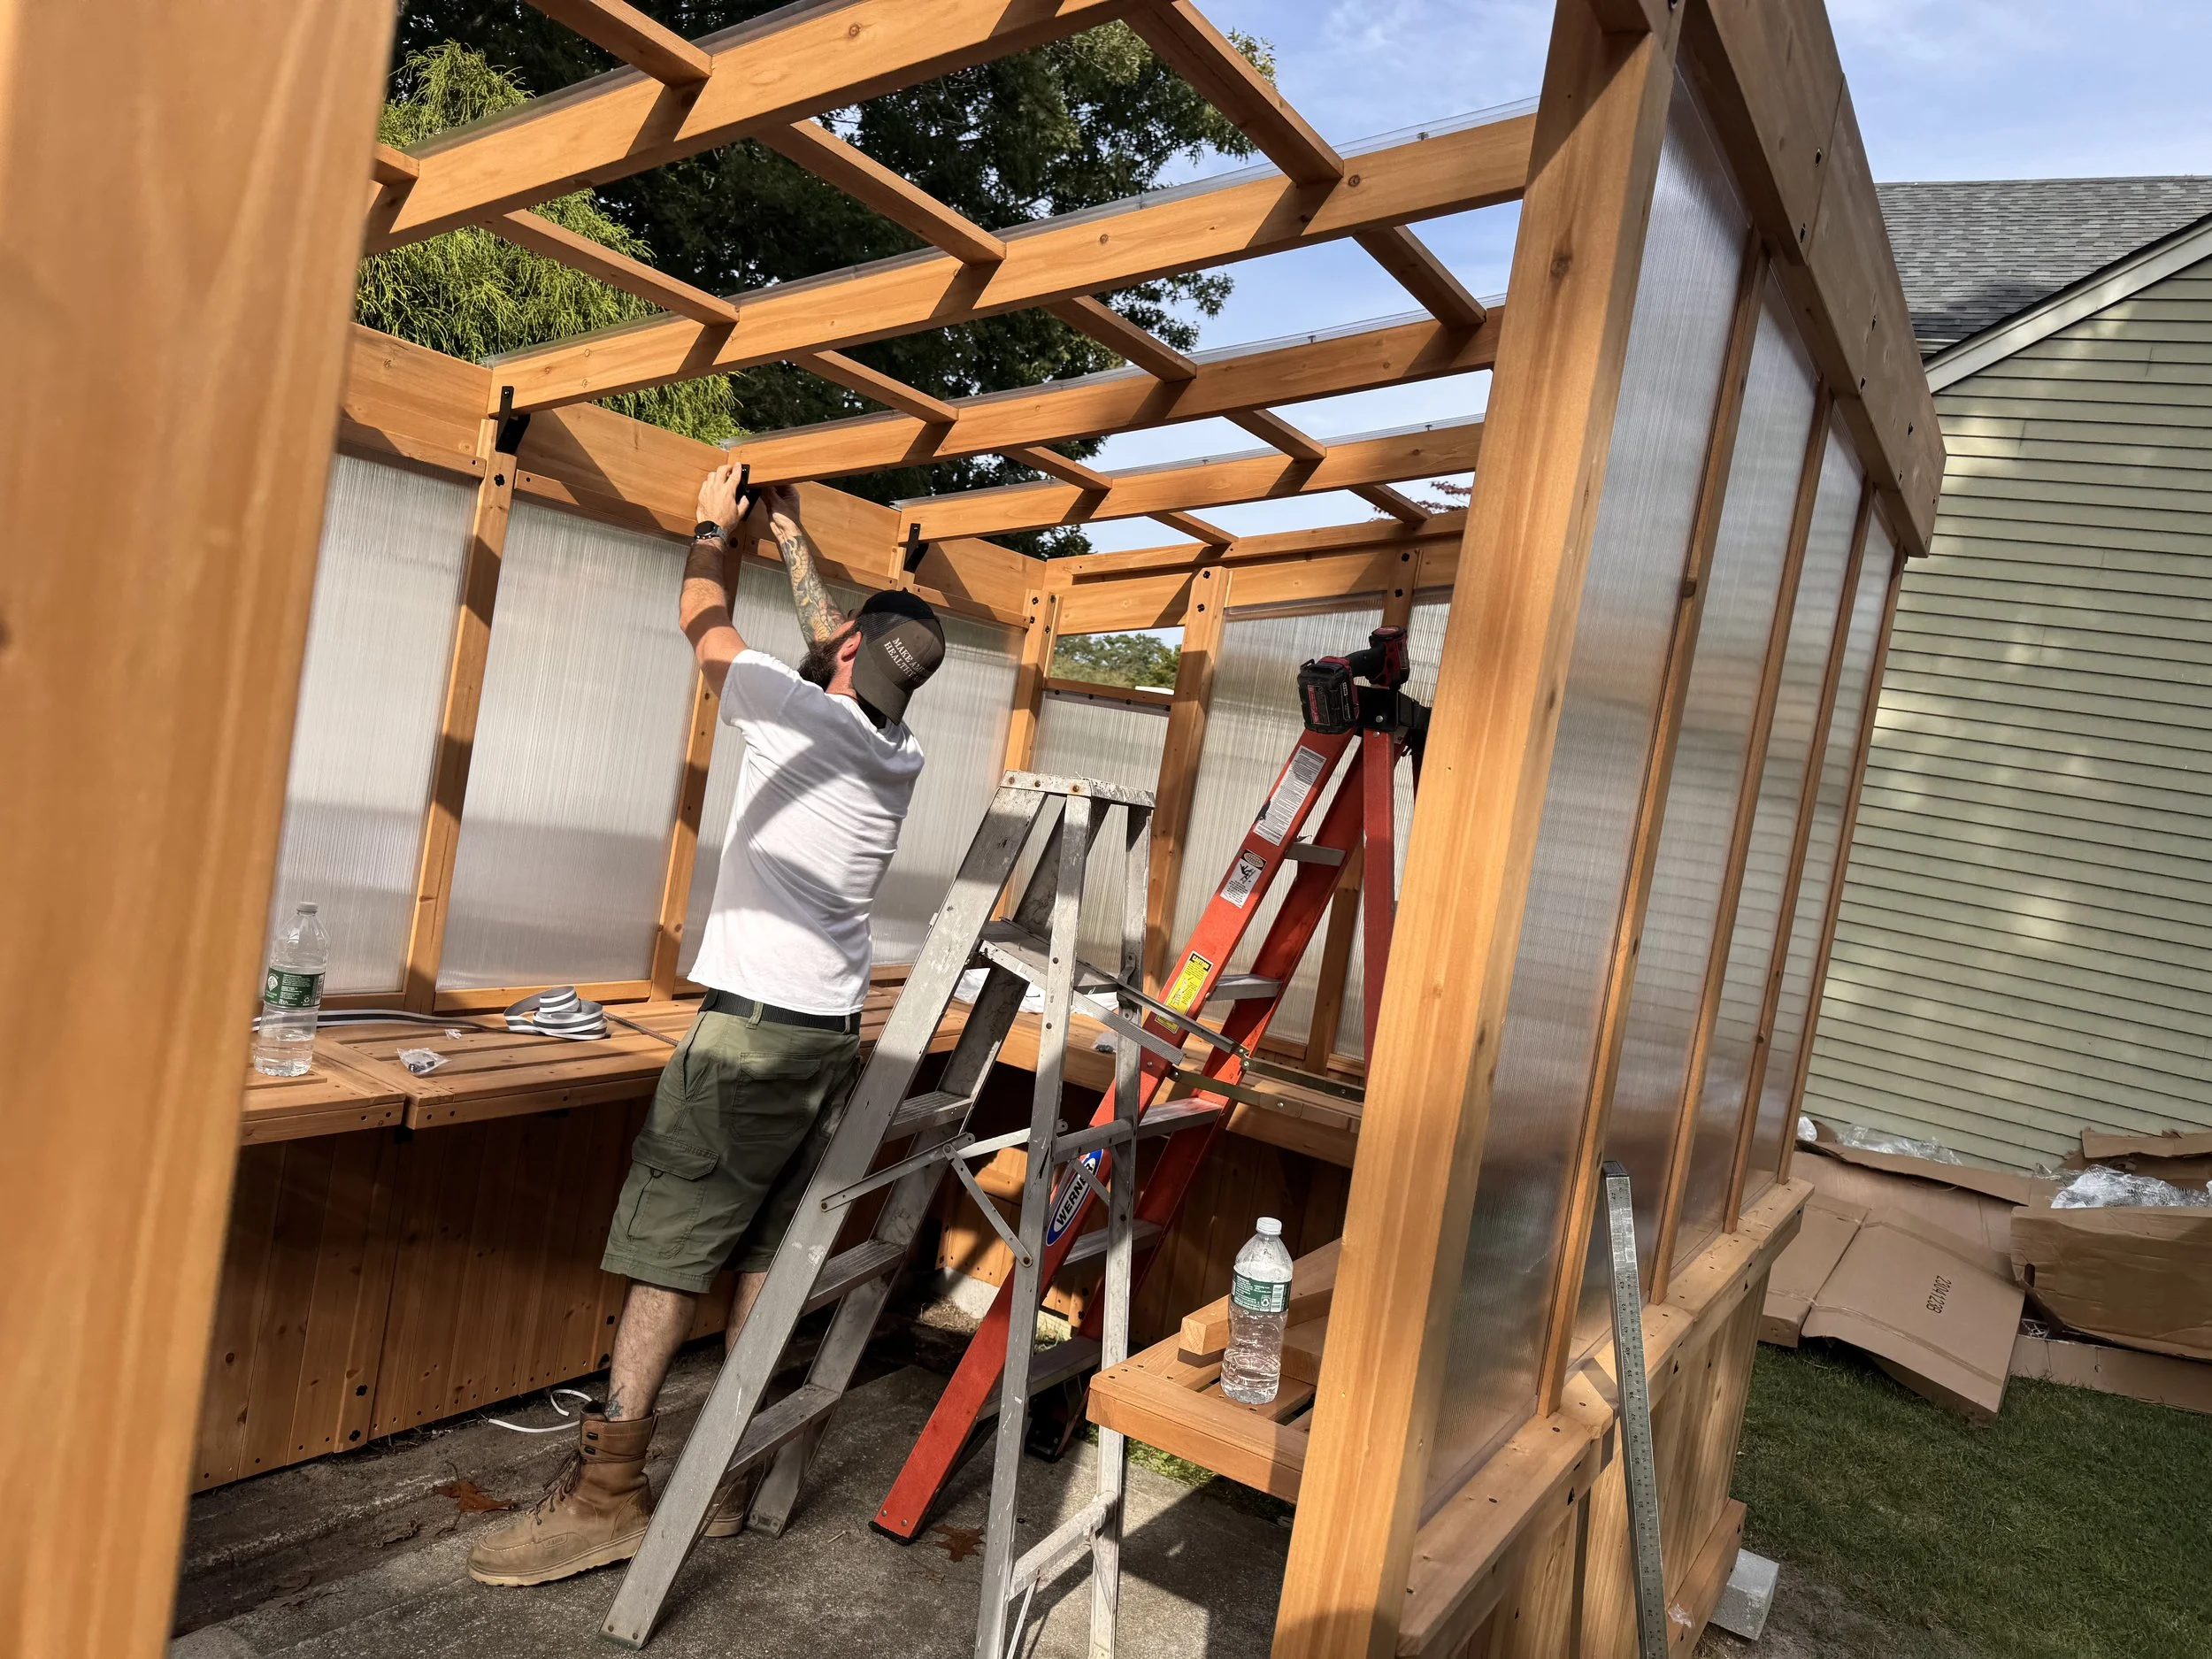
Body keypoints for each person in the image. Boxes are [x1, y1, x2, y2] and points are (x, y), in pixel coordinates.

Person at [469, 465, 946, 1587]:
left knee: (669, 1251)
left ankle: (606, 1495)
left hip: (748, 1041)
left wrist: (707, 523)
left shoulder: (792, 712)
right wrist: (792, 534)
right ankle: (724, 1484)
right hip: (831, 1034)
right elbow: (838, 635)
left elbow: (702, 620)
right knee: (765, 1258)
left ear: (841, 659)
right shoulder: (894, 746)